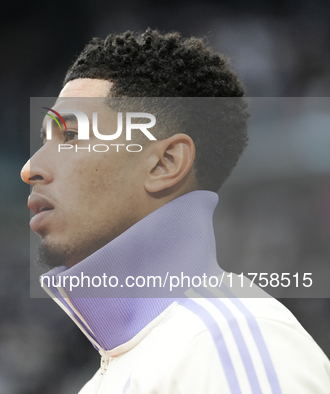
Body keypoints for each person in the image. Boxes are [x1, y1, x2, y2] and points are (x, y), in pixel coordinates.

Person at [20, 29, 330, 393]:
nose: (29, 168)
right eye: (44, 140)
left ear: (165, 163)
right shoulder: (131, 366)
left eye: (70, 135)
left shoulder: (223, 340)